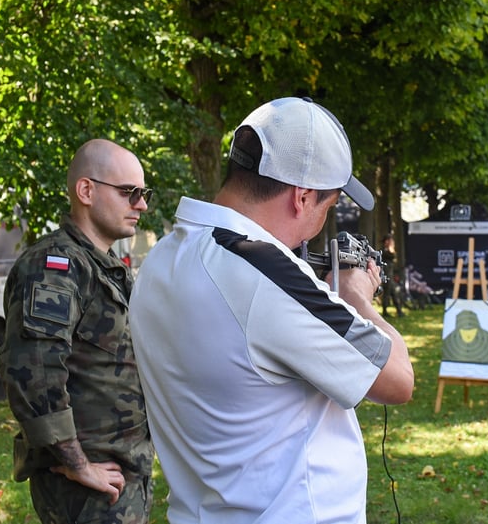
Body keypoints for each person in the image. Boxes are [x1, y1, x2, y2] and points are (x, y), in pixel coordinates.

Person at [129, 97, 414, 523]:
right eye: (329, 205)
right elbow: (397, 380)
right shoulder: (263, 271)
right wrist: (355, 298)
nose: (322, 220)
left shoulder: (161, 262)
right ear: (302, 197)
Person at [0, 139, 154, 524]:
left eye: (143, 193)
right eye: (128, 192)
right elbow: (34, 372)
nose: (142, 205)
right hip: (86, 491)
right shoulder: (55, 267)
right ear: (86, 191)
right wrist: (78, 464)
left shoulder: (102, 264)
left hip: (122, 476)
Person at [380, 234, 405, 317]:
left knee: (393, 293)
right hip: (386, 276)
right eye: (390, 240)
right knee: (387, 294)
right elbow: (392, 255)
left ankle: (398, 311)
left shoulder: (387, 251)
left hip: (390, 275)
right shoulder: (383, 251)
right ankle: (386, 311)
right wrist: (391, 247)